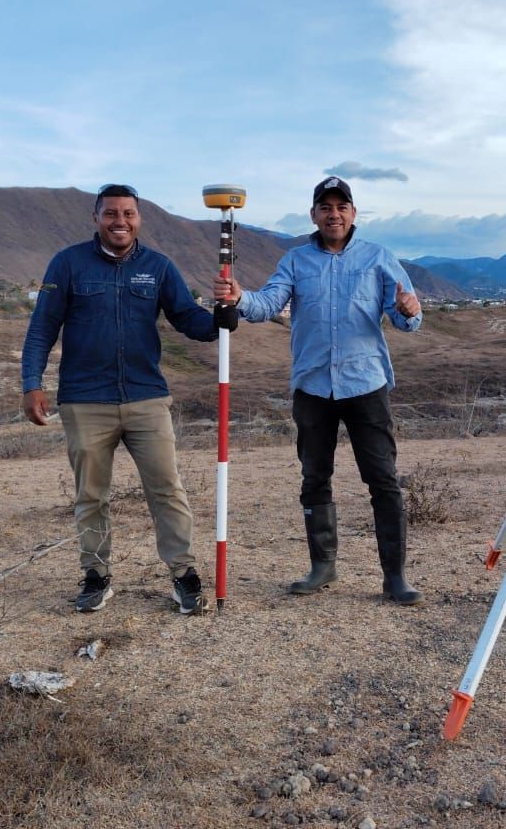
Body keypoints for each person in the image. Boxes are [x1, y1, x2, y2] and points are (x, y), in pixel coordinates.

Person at [212, 176, 425, 605]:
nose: (334, 214)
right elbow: (269, 303)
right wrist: (240, 297)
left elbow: (405, 318)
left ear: (353, 214)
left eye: (341, 207)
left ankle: (394, 577)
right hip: (312, 386)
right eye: (325, 207)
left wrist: (409, 310)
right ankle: (322, 566)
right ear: (313, 215)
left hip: (366, 385)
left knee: (382, 480)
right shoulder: (295, 261)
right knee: (314, 478)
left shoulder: (378, 258)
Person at [23, 183, 231, 614]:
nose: (120, 221)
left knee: (167, 490)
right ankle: (96, 576)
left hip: (146, 398)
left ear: (139, 218)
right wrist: (32, 383)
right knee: (91, 495)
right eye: (111, 214)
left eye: (128, 214)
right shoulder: (67, 264)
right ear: (96, 217)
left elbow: (189, 320)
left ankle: (183, 576)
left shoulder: (158, 266)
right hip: (84, 400)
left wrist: (224, 315)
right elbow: (42, 327)